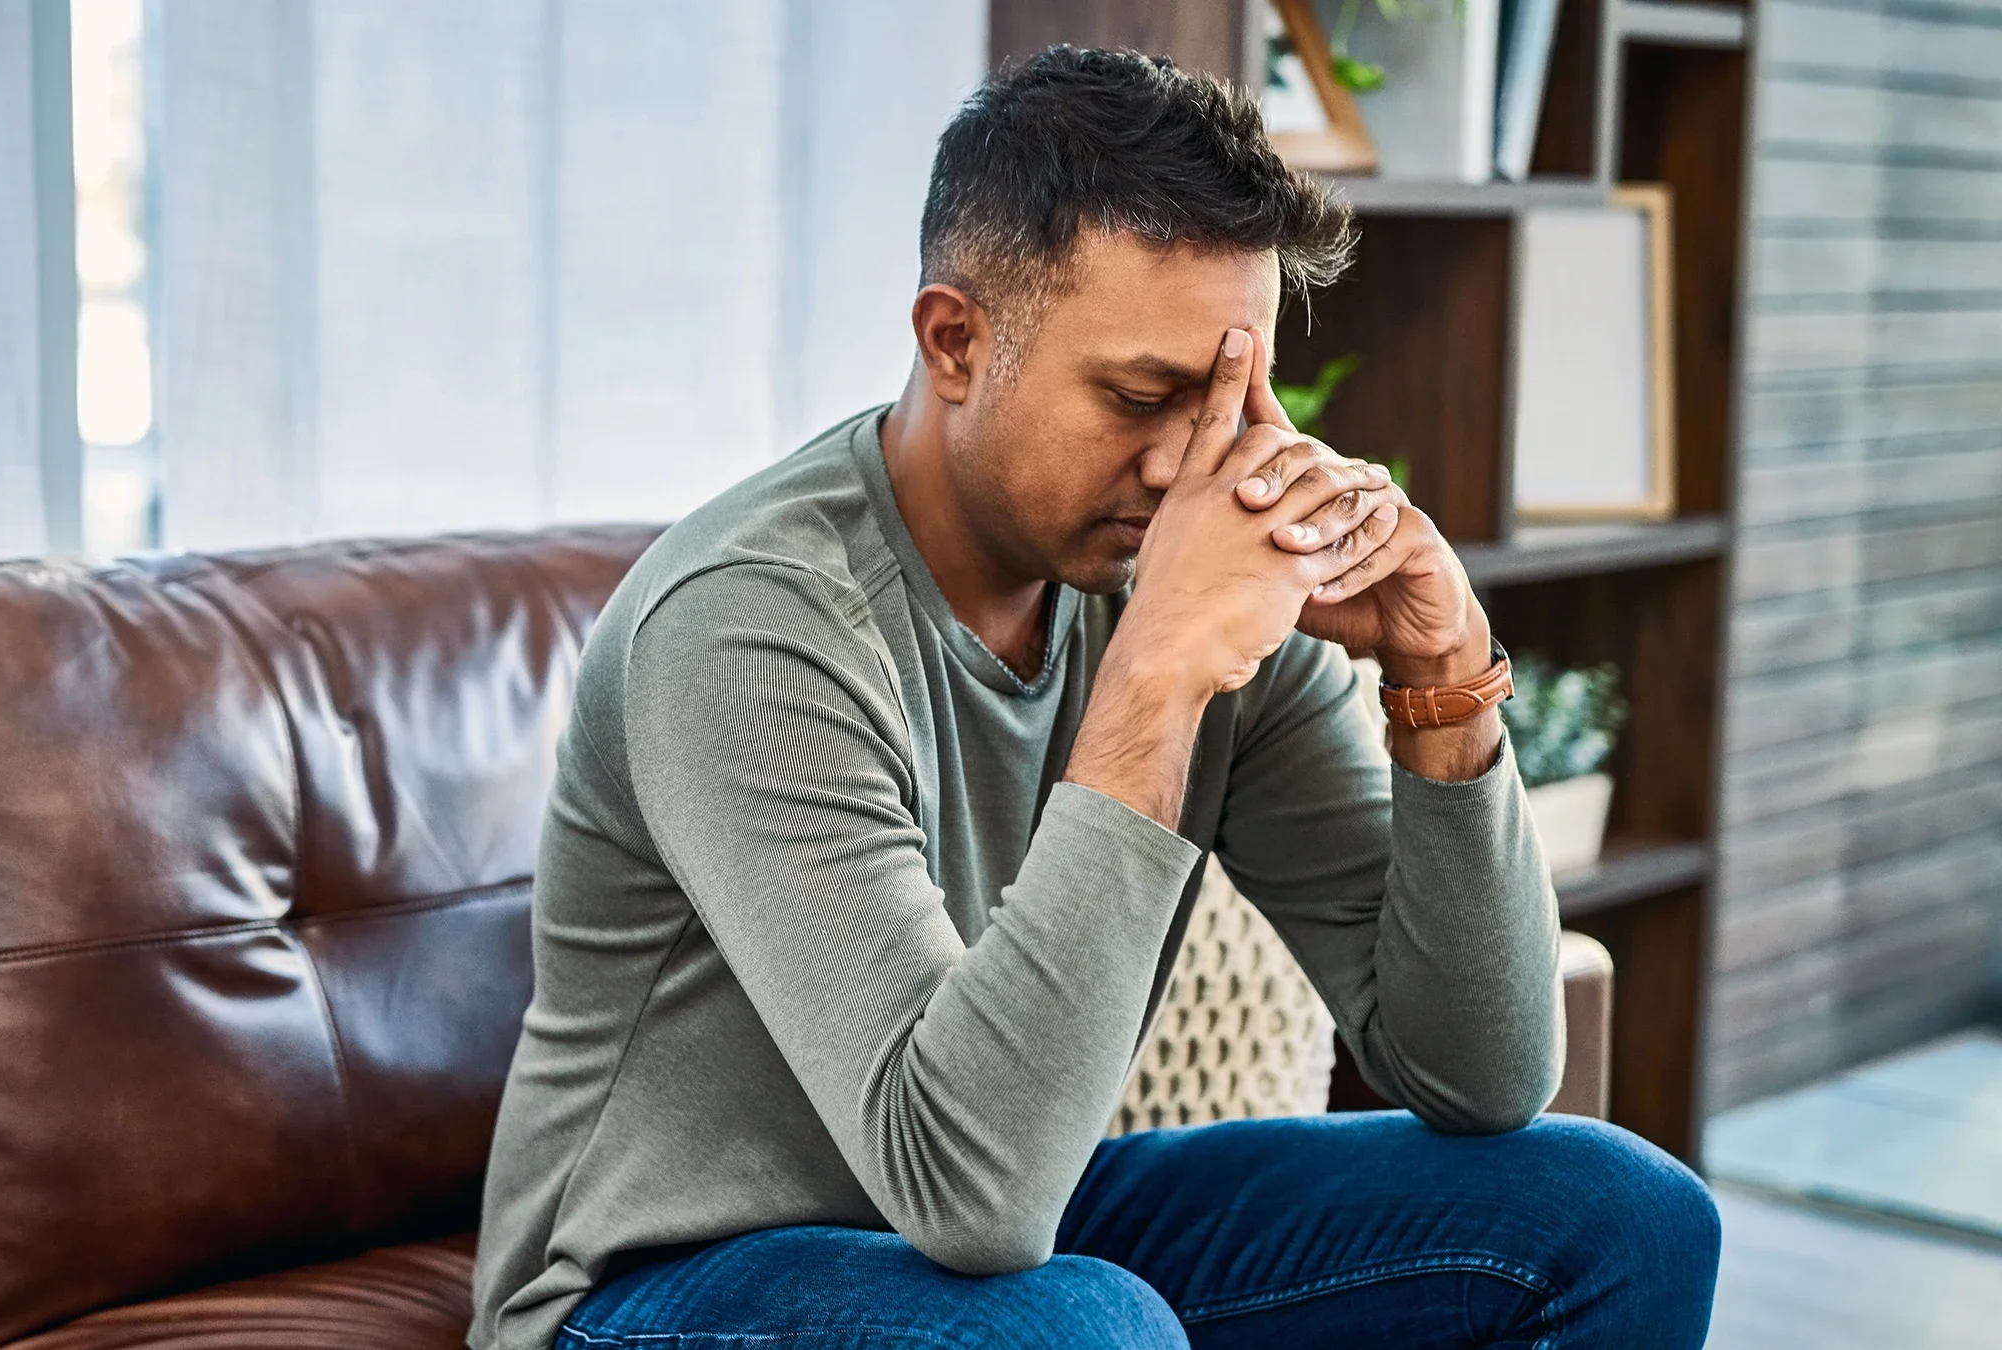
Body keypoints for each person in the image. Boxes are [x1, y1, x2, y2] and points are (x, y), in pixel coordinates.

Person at [467, 45, 1719, 1350]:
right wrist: (1158, 673)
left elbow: (1487, 1073)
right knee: (1081, 1331)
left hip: (1007, 1221)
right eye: (1141, 395)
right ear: (955, 340)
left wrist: (1443, 673)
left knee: (1619, 1216)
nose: (1190, 463)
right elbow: (970, 1190)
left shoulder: (1175, 576)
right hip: (658, 1287)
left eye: (1231, 400)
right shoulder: (752, 621)